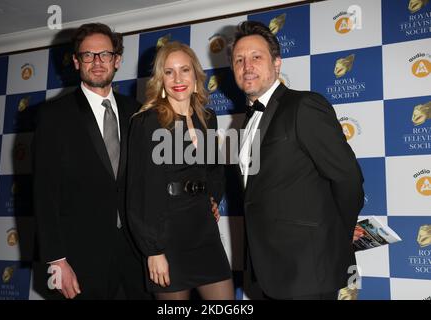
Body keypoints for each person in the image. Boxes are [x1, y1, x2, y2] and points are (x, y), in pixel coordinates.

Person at [230, 21, 365, 300]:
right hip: (265, 270)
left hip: (307, 268)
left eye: (257, 57)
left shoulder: (303, 106)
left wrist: (341, 230)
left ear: (277, 63)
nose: (247, 66)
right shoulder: (244, 123)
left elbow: (347, 177)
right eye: (239, 60)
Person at [33, 23, 149, 300]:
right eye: (88, 55)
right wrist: (56, 261)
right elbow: (44, 193)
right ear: (76, 62)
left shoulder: (138, 112)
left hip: (137, 255)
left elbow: (150, 178)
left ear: (117, 60)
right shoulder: (53, 116)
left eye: (105, 54)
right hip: (80, 259)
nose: (97, 62)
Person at [126, 41, 234, 300]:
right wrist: (153, 250)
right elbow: (139, 193)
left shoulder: (207, 118)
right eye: (169, 71)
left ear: (195, 75)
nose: (177, 78)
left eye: (184, 70)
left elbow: (214, 170)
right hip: (166, 234)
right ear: (160, 79)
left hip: (204, 231)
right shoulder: (147, 122)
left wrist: (213, 198)